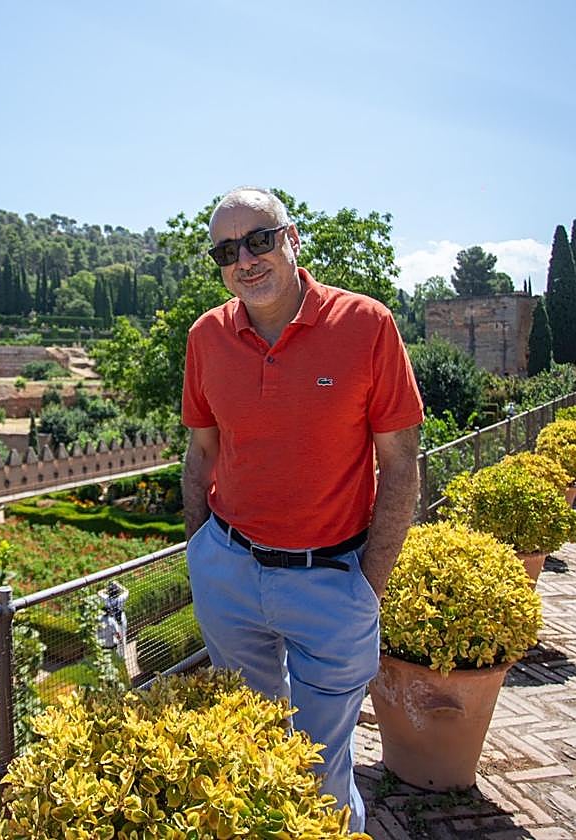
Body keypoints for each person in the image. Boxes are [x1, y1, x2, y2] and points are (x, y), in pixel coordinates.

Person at [181, 187, 422, 832]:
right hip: (229, 574)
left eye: (259, 239)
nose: (245, 260)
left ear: (292, 239)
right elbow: (201, 454)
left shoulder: (366, 326)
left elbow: (400, 465)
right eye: (227, 251)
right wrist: (202, 554)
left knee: (321, 773)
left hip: (332, 580)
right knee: (253, 752)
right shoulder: (206, 338)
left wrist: (367, 584)